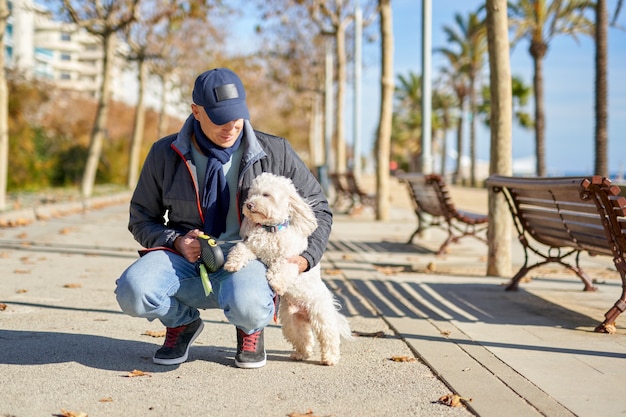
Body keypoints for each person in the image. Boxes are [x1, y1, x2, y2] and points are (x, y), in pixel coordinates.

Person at [115, 68, 332, 369]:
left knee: (249, 305)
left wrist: (305, 259)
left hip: (251, 257)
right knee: (132, 291)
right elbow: (141, 218)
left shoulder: (276, 150)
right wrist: (175, 241)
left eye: (237, 116)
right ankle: (182, 324)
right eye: (220, 118)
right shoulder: (164, 153)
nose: (231, 126)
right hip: (187, 256)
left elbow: (319, 209)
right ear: (196, 111)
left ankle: (250, 326)